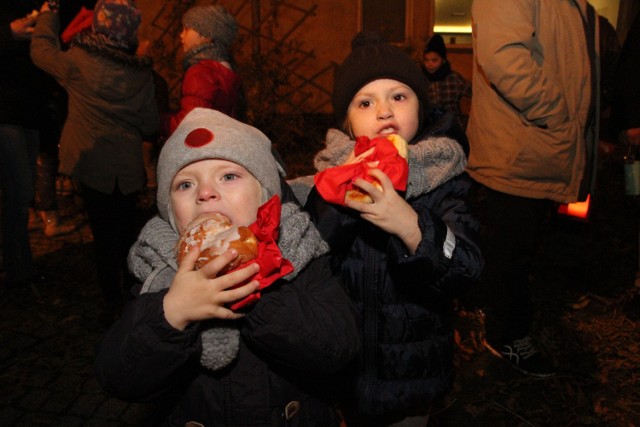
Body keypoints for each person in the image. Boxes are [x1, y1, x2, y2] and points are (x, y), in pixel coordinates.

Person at [94, 108, 361, 426]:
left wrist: (257, 289)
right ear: (170, 214)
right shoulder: (158, 271)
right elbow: (119, 378)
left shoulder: (300, 253)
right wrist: (172, 314)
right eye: (185, 185)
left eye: (229, 176)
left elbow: (338, 349)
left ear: (264, 196)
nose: (206, 193)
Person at [301, 32, 483, 426]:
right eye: (366, 102)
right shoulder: (331, 175)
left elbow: (466, 268)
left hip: (411, 375)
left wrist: (410, 225)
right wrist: (343, 191)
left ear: (421, 106)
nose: (384, 112)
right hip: (342, 365)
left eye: (399, 97)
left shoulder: (444, 176)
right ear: (347, 123)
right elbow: (309, 253)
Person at [465, 0, 599, 377]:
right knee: (511, 251)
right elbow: (504, 58)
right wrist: (559, 115)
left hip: (538, 147)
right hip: (521, 148)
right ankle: (504, 336)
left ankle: (502, 318)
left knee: (517, 249)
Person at [30, 0, 159, 323]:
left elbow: (40, 52)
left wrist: (48, 15)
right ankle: (133, 295)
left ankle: (110, 301)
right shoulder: (141, 74)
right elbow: (149, 125)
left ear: (98, 27)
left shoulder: (78, 61)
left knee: (102, 236)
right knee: (128, 233)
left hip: (93, 166)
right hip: (127, 169)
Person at [0, 2, 52, 288]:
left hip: (30, 111)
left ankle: (18, 260)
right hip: (5, 111)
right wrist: (8, 33)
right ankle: (18, 268)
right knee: (19, 190)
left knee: (22, 190)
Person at [164, 4, 244, 136]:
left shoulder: (200, 72)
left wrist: (156, 122)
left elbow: (188, 126)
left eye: (187, 29)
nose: (181, 35)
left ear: (205, 35)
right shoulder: (226, 69)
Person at [421, 33, 472, 132]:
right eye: (426, 60)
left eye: (434, 60)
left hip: (453, 129)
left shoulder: (453, 78)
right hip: (428, 130)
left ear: (443, 60)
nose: (429, 64)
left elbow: (474, 93)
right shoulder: (421, 79)